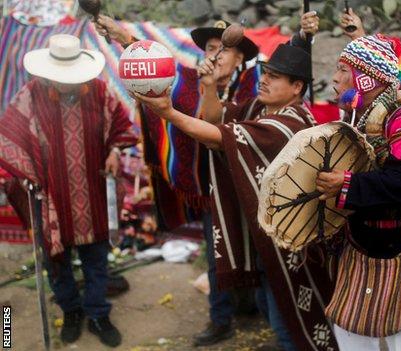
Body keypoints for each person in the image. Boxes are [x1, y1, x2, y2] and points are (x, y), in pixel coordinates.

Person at [96, 13, 321, 347]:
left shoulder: (258, 86)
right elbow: (156, 70)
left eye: (221, 47)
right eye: (210, 48)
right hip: (216, 192)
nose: (214, 54)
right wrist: (205, 85)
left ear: (240, 56)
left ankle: (275, 327)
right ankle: (224, 320)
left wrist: (304, 36)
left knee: (273, 279)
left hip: (261, 200)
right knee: (228, 258)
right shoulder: (198, 82)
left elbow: (219, 132)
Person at [0, 34, 137, 347]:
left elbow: (121, 126)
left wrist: (115, 150)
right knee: (56, 261)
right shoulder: (31, 94)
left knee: (96, 259)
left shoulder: (100, 92)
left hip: (93, 189)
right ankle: (72, 310)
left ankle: (98, 313)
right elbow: (10, 135)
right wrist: (27, 174)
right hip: (50, 194)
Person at [315, 34, 401, 350]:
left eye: (343, 69)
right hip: (362, 248)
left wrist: (348, 184)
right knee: (352, 335)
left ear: (366, 78)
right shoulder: (356, 119)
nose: (335, 77)